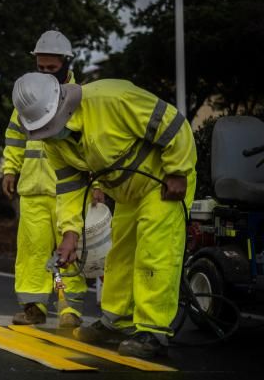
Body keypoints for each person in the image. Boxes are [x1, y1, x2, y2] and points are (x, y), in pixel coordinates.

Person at [11, 73, 197, 358]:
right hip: (126, 191)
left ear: (62, 106)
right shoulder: (54, 140)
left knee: (154, 252)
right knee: (119, 256)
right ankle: (117, 321)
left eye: (50, 125)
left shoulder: (113, 98)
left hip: (163, 183)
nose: (49, 133)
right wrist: (70, 233)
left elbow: (174, 125)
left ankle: (153, 330)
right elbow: (71, 186)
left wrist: (177, 171)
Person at [2, 31, 99, 328]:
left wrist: (98, 185)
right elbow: (15, 137)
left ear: (66, 64)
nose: (45, 74)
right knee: (32, 254)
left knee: (68, 253)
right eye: (41, 68)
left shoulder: (80, 99)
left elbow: (96, 148)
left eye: (51, 69)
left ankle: (69, 308)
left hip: (67, 193)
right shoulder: (28, 97)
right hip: (32, 190)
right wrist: (9, 169)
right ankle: (35, 307)